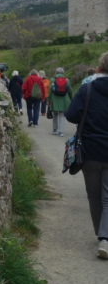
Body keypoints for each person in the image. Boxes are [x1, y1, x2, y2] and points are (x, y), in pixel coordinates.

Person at [65, 52, 108, 259]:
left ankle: (102, 236)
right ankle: (105, 238)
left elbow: (71, 114)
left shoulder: (87, 89)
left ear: (98, 70)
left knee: (93, 195)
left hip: (90, 149)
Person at [47, 67, 73, 137]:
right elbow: (70, 90)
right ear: (63, 73)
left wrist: (48, 99)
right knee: (62, 115)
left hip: (55, 99)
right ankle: (61, 132)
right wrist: (71, 98)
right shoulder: (67, 80)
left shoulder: (52, 80)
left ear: (56, 73)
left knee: (55, 114)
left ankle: (55, 130)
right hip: (64, 99)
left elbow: (50, 90)